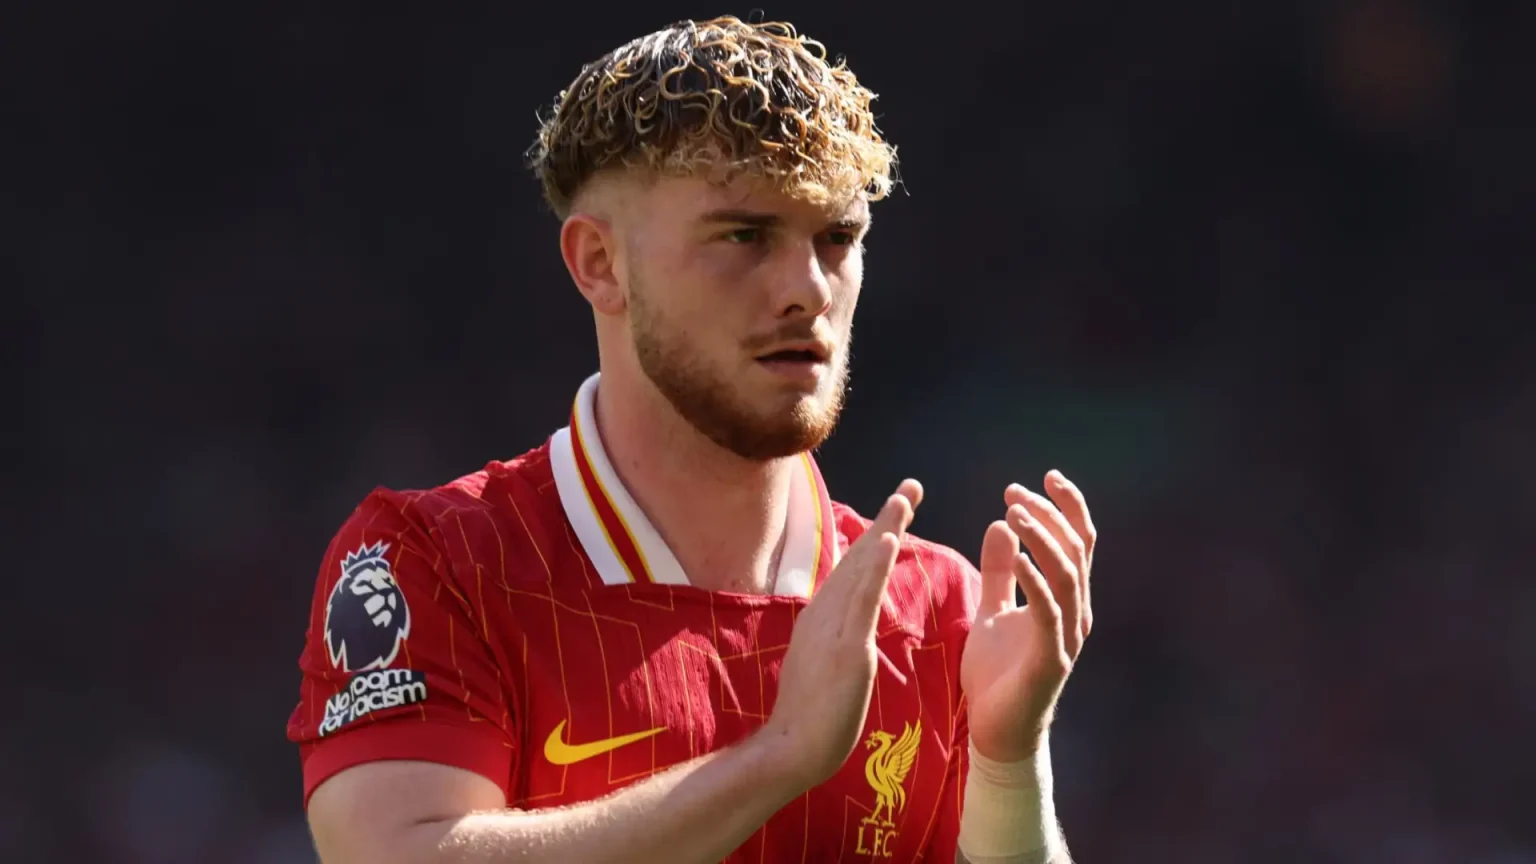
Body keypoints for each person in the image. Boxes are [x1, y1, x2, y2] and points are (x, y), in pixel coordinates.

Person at [288, 15, 1097, 864]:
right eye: (745, 235)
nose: (807, 290)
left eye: (837, 238)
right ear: (600, 263)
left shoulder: (940, 609)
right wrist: (777, 760)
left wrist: (1008, 767)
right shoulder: (434, 564)